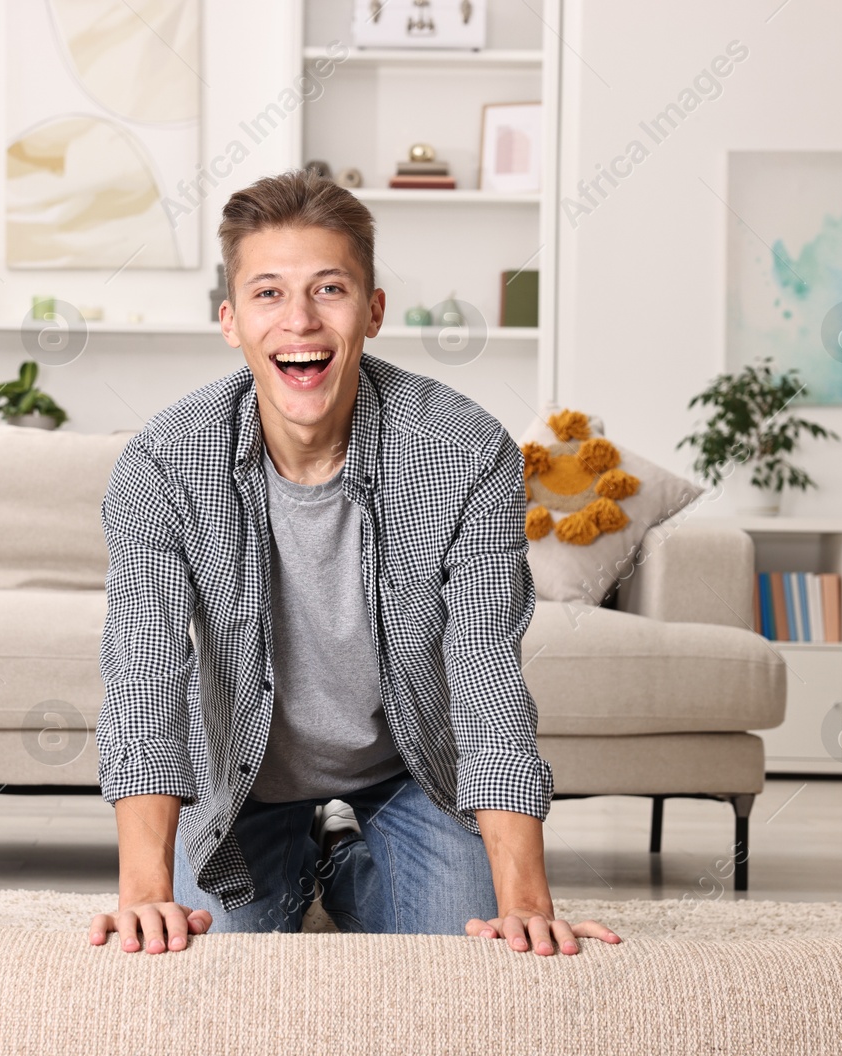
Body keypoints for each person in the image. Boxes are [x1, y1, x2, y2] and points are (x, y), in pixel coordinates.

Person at [86, 170, 620, 957]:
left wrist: (527, 900)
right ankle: (295, 849)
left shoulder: (466, 453)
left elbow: (485, 670)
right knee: (214, 944)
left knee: (463, 941)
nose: (299, 320)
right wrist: (142, 894)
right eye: (268, 293)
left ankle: (340, 853)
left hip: (408, 767)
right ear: (230, 320)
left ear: (372, 311)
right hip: (242, 779)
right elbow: (144, 672)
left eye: (328, 288)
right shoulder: (161, 463)